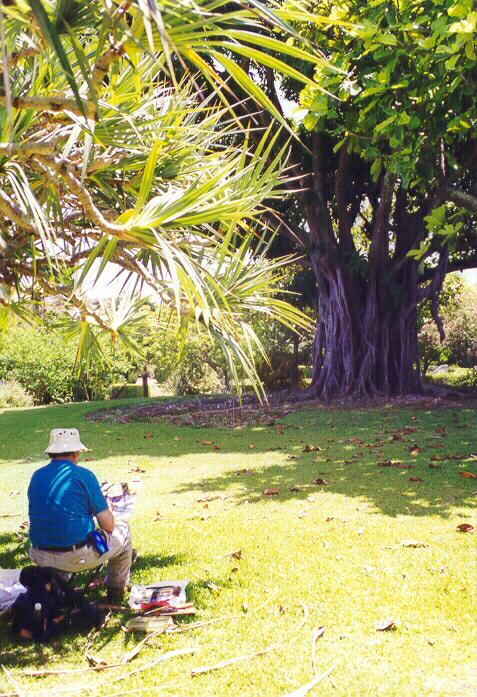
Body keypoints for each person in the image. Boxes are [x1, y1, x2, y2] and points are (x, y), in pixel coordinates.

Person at [28, 428, 133, 603]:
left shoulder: (36, 476)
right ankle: (116, 589)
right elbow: (108, 526)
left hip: (40, 555)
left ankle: (59, 586)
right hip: (75, 556)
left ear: (51, 453)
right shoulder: (84, 475)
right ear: (76, 453)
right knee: (124, 530)